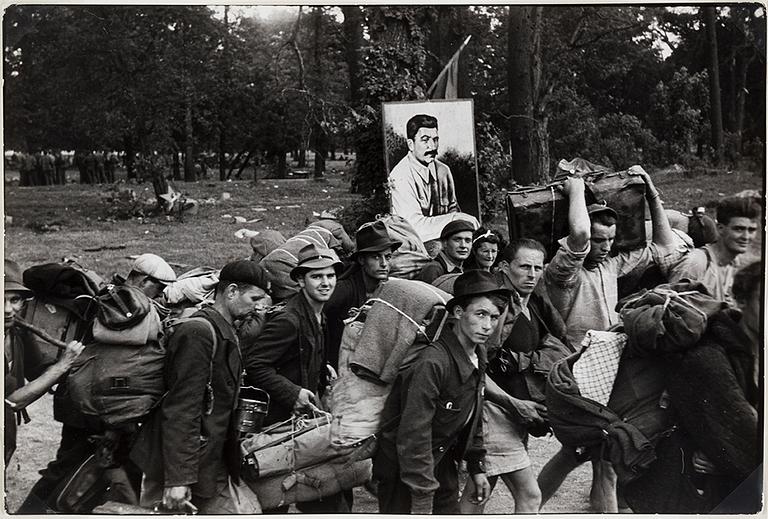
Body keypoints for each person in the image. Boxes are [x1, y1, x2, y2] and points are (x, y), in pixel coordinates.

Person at [539, 168, 682, 512]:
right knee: (585, 453)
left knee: (597, 457)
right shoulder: (562, 272)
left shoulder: (611, 265)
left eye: (609, 240)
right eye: (598, 240)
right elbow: (580, 233)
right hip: (577, 377)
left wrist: (651, 193)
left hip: (606, 374)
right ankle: (529, 506)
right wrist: (575, 188)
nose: (603, 247)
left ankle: (535, 505)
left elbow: (665, 247)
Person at [17, 252, 177, 513]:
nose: (159, 295)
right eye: (158, 287)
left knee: (98, 465)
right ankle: (27, 514)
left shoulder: (118, 301)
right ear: (145, 280)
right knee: (69, 465)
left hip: (94, 398)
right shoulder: (119, 304)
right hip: (86, 403)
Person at [130, 260, 270, 513]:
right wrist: (178, 480)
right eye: (254, 298)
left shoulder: (226, 329)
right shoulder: (199, 332)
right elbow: (182, 408)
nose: (259, 306)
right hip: (181, 465)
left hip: (208, 461)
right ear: (231, 292)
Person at [624, 261, 762, 513]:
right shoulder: (709, 357)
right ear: (740, 301)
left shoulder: (752, 351)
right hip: (687, 487)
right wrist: (723, 455)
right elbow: (742, 436)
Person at [373, 270, 510, 513]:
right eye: (480, 314)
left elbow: (473, 414)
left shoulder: (479, 354)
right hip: (405, 473)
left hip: (442, 462)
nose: (488, 326)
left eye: (494, 317)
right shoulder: (432, 363)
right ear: (458, 313)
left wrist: (477, 467)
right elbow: (413, 434)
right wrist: (423, 496)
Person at [459, 239, 570, 513]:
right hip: (494, 411)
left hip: (514, 414)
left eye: (537, 267)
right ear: (506, 267)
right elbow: (474, 364)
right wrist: (512, 402)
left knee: (481, 491)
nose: (532, 274)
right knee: (529, 496)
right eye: (524, 267)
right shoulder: (499, 308)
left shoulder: (531, 304)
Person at [244, 243, 347, 512]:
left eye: (330, 276)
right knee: (276, 500)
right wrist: (293, 392)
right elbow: (255, 364)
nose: (325, 283)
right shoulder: (289, 319)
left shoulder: (317, 314)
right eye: (316, 276)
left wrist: (323, 369)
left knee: (323, 497)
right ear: (300, 281)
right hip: (278, 425)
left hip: (302, 422)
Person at [4, 260, 84, 464]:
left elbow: (37, 370)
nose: (7, 309)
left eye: (14, 300)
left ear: (24, 303)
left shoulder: (17, 332)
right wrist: (62, 365)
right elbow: (12, 401)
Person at [389, 114, 478, 243]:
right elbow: (414, 228)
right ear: (410, 144)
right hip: (412, 248)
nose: (432, 146)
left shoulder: (443, 170)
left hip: (446, 242)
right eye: (425, 140)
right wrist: (454, 219)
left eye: (435, 139)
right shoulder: (400, 176)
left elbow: (453, 207)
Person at [324, 220, 401, 370]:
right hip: (336, 363)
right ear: (361, 260)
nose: (384, 263)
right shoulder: (344, 290)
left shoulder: (387, 289)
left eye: (388, 257)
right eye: (376, 257)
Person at [668, 196, 760, 306]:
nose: (746, 236)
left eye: (751, 230)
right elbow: (672, 310)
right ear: (720, 229)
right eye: (738, 229)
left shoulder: (732, 262)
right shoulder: (695, 264)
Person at [419, 219, 475, 284]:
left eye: (468, 241)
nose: (463, 245)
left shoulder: (463, 267)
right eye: (457, 240)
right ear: (444, 243)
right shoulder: (433, 269)